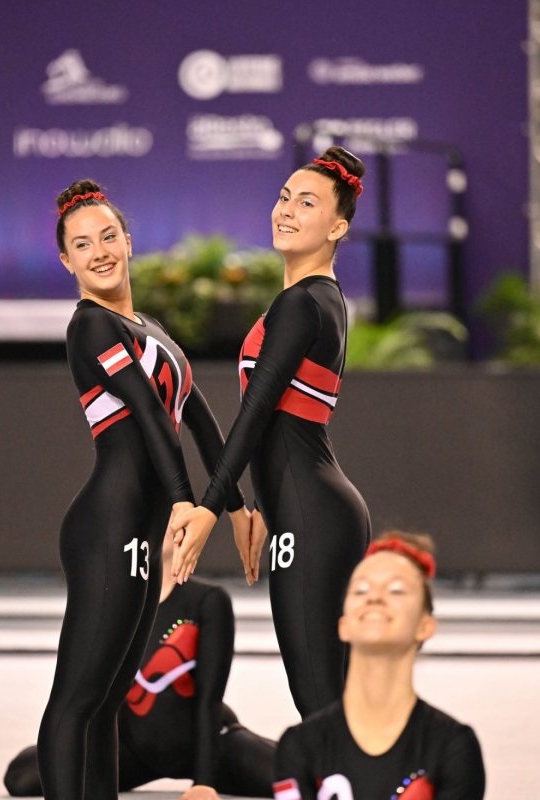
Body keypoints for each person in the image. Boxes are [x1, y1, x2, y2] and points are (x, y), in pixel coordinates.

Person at [36, 179, 251, 800]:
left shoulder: (148, 327)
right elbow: (151, 416)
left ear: (128, 242)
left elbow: (198, 418)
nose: (99, 251)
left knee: (107, 700)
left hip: (136, 530)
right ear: (66, 261)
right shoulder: (91, 326)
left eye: (108, 236)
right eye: (83, 244)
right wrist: (184, 499)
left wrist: (235, 506)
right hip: (107, 525)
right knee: (77, 697)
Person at [170, 146, 372, 716]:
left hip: (311, 512)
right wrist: (251, 506)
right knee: (331, 699)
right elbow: (277, 421)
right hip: (309, 507)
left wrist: (211, 509)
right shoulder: (317, 299)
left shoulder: (302, 303)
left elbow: (257, 414)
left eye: (307, 203)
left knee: (319, 699)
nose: (286, 210)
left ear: (338, 227)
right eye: (284, 197)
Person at [5, 531, 275, 799]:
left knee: (294, 776)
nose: (160, 526)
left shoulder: (208, 601)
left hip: (206, 745)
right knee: (21, 777)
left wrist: (204, 781)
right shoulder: (120, 603)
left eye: (170, 519)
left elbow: (210, 699)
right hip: (136, 750)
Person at [272, 532, 486, 800]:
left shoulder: (452, 746)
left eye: (396, 590)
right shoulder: (300, 746)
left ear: (425, 626)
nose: (374, 597)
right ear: (343, 625)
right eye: (361, 590)